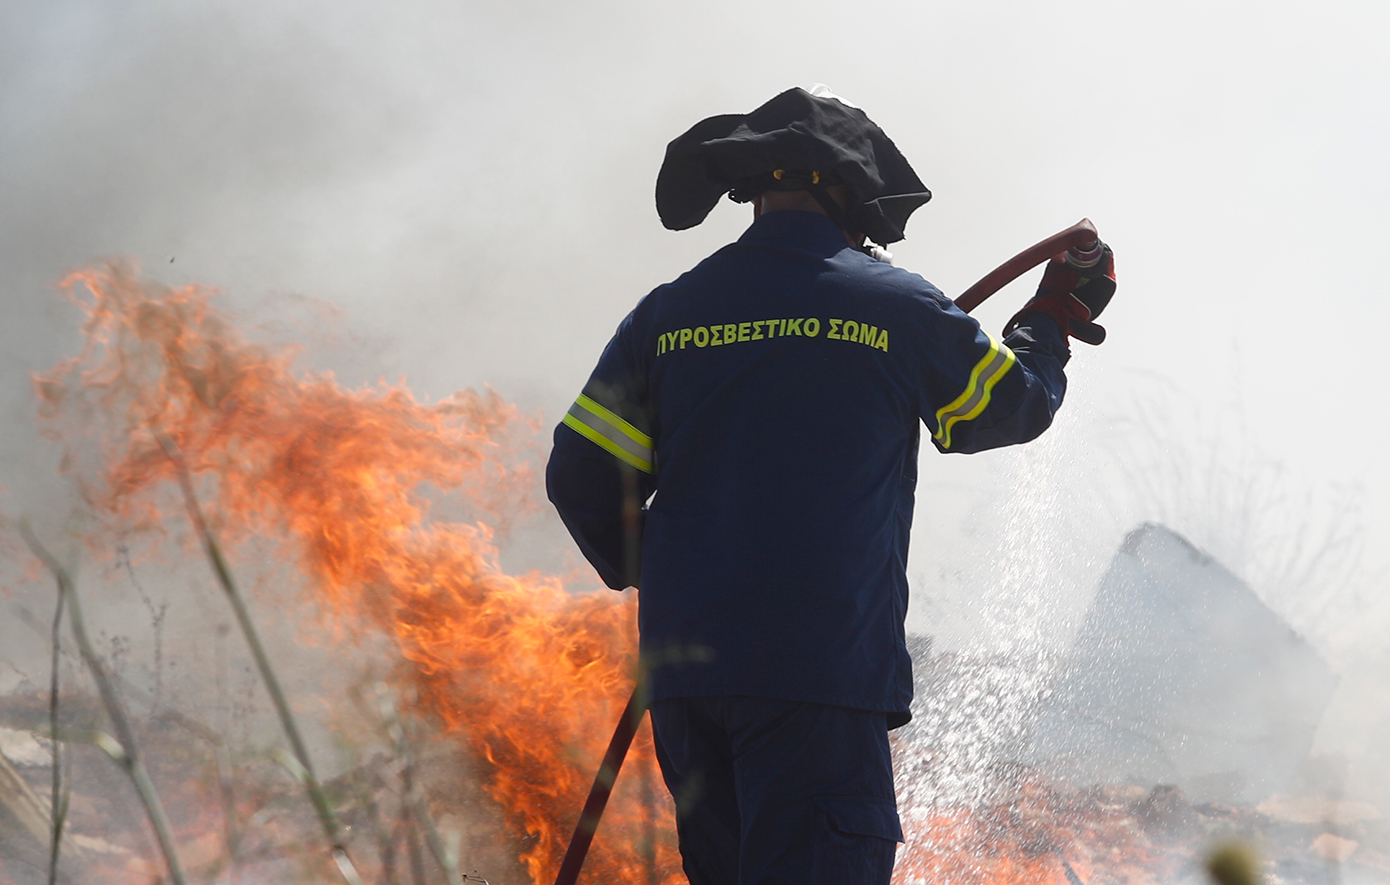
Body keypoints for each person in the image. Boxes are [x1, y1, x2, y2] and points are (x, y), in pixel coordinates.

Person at [545, 85, 1115, 885]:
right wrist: (1051, 318)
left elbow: (578, 471)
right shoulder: (894, 306)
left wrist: (665, 565)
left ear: (756, 192)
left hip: (689, 682)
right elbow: (1007, 406)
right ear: (849, 191)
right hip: (816, 674)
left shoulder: (667, 316)